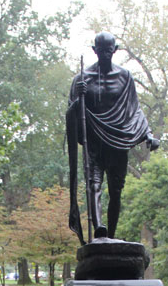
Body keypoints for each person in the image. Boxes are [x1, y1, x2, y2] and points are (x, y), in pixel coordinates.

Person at [67, 31, 159, 241]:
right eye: (101, 51)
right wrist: (77, 99)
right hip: (94, 143)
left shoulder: (125, 76)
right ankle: (99, 229)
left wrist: (148, 134)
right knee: (94, 184)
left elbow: (134, 109)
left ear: (115, 50)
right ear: (94, 50)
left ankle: (112, 236)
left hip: (118, 142)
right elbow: (71, 112)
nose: (105, 54)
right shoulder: (82, 79)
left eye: (109, 50)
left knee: (116, 191)